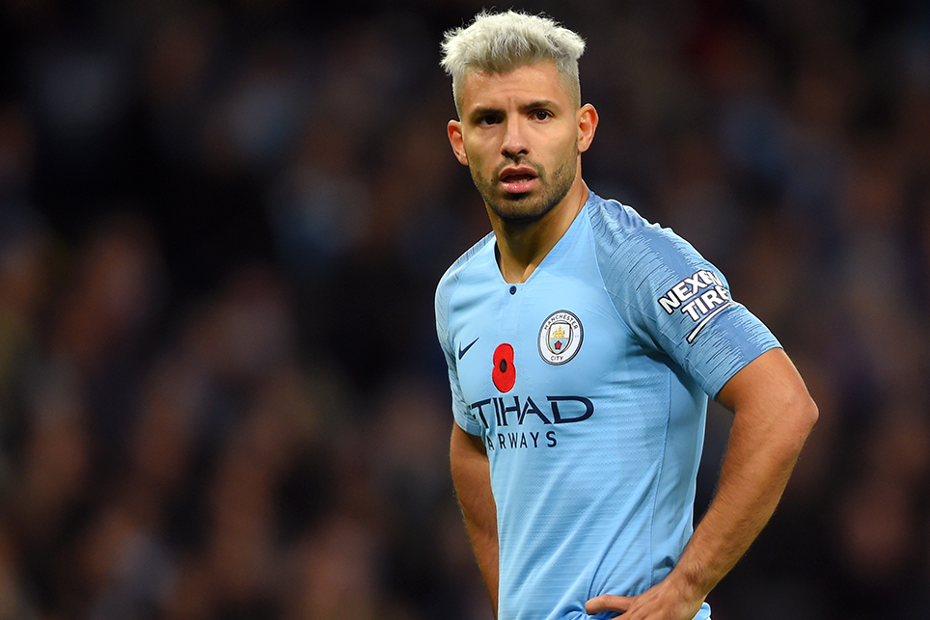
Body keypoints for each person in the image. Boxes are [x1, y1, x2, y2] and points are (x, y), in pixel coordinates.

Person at [433, 9, 818, 620]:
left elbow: (783, 404)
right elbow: (471, 444)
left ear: (583, 128)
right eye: (489, 119)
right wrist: (513, 601)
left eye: (540, 114)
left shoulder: (638, 261)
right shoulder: (458, 291)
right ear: (460, 141)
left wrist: (686, 588)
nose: (514, 141)